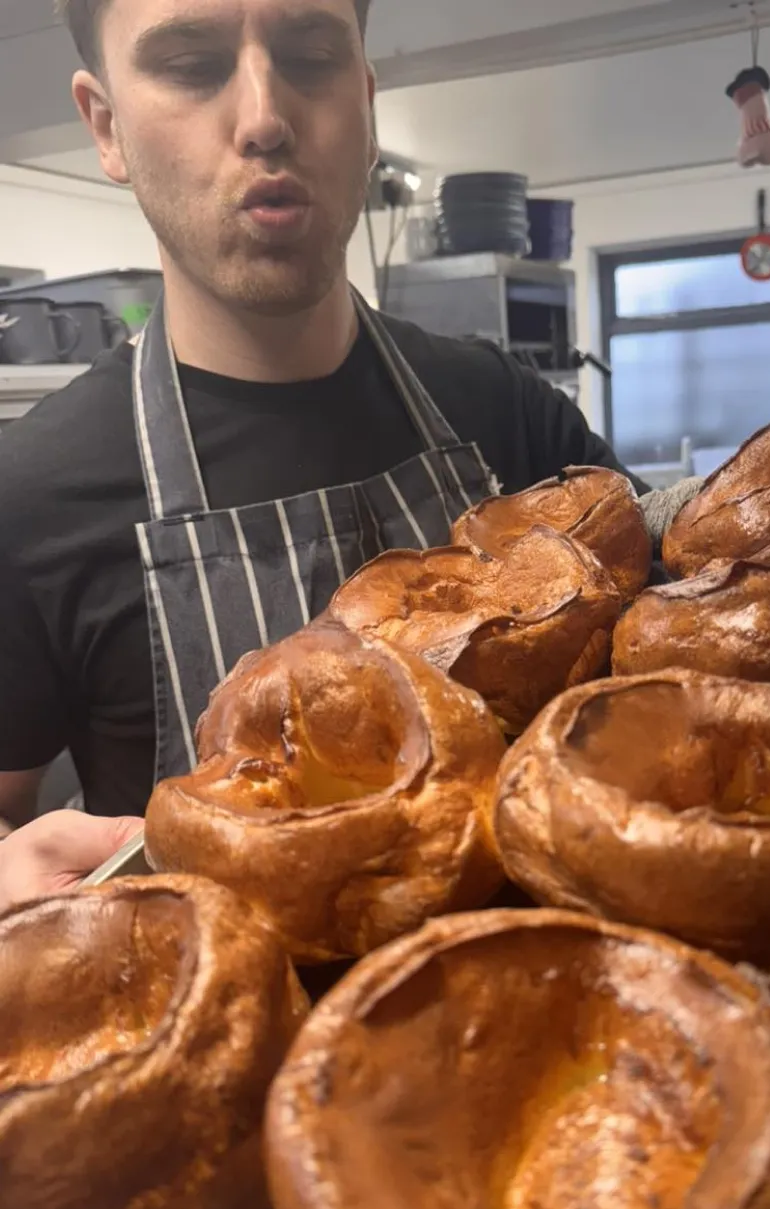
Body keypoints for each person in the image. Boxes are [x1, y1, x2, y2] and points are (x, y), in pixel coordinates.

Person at [0, 0, 638, 914]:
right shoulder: (26, 500)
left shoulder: (509, 416)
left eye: (308, 54)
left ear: (366, 102)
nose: (264, 117)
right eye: (191, 65)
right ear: (107, 126)